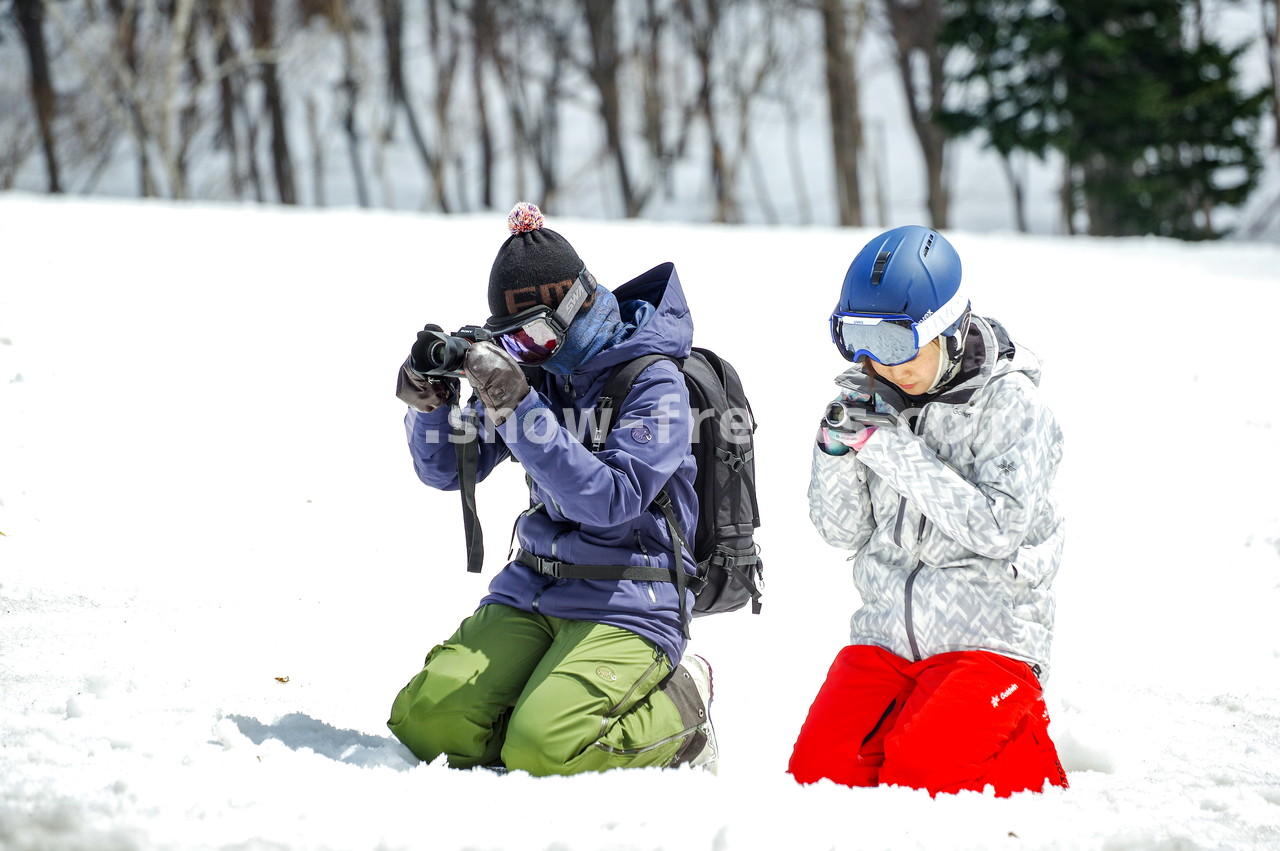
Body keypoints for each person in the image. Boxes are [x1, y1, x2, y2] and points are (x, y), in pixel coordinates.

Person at [387, 202, 716, 776]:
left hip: (631, 598)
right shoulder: (536, 372)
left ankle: (684, 711)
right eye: (513, 340)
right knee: (428, 724)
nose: (528, 352)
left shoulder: (656, 381)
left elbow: (611, 502)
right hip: (535, 585)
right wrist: (432, 403)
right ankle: (535, 699)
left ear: (579, 300)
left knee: (544, 751)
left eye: (536, 334)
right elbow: (446, 468)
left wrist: (519, 404)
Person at [789, 225, 1069, 797]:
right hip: (887, 638)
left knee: (923, 775)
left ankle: (1023, 747)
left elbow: (997, 529)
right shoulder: (870, 398)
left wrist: (888, 448)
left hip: (990, 641)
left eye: (896, 344)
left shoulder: (1012, 404)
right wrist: (837, 452)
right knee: (817, 778)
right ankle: (930, 727)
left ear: (948, 328)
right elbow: (842, 531)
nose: (882, 364)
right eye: (859, 339)